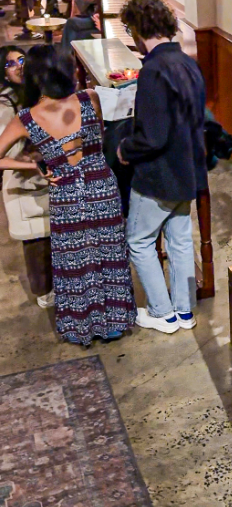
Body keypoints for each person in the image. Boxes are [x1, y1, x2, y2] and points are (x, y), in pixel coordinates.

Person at [0, 45, 136, 345]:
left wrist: (33, 165)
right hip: (101, 186)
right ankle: (113, 323)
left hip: (66, 194)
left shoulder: (25, 119)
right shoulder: (91, 99)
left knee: (77, 261)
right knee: (109, 255)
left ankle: (83, 327)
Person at [117, 0, 208, 334]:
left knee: (139, 242)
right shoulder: (188, 64)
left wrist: (126, 148)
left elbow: (152, 137)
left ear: (139, 29)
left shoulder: (153, 70)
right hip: (187, 170)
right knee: (180, 241)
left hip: (159, 176)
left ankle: (162, 313)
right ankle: (185, 313)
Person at [0, 46, 53, 308]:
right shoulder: (5, 105)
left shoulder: (35, 95)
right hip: (22, 183)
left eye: (21, 59)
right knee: (36, 242)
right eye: (10, 64)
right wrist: (29, 164)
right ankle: (45, 292)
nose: (19, 66)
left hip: (44, 179)